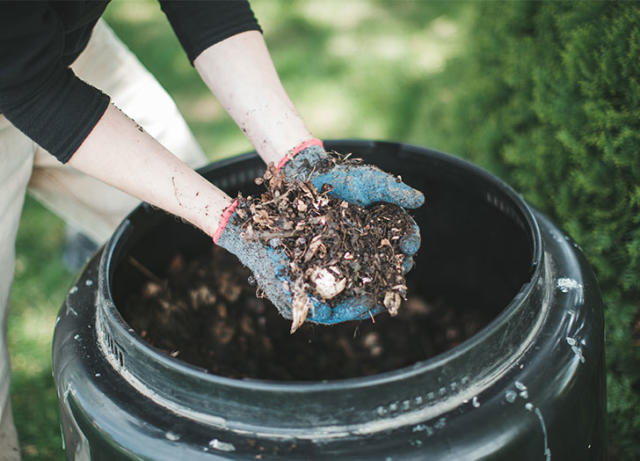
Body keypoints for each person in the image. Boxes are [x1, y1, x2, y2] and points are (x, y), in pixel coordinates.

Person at [0, 2, 423, 458]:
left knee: (193, 258)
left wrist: (297, 156)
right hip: (20, 66)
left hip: (57, 49)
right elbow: (27, 81)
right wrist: (231, 221)